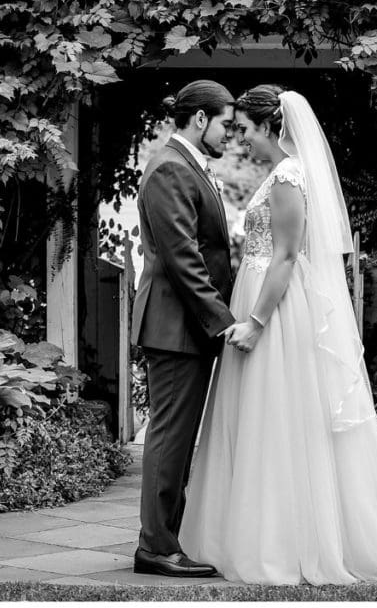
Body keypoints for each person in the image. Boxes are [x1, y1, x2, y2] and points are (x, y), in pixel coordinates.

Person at [178, 85, 377, 584]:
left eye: (248, 131)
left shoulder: (287, 177)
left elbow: (285, 256)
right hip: (262, 302)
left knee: (277, 419)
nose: (244, 141)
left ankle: (285, 541)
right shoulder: (281, 174)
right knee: (264, 420)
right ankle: (253, 532)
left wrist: (255, 323)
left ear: (269, 128)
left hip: (275, 313)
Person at [130, 80, 237, 578]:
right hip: (176, 326)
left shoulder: (186, 164)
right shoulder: (171, 167)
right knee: (170, 437)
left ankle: (166, 538)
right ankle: (155, 547)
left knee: (176, 436)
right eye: (225, 123)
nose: (230, 133)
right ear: (200, 119)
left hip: (184, 326)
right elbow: (182, 258)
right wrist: (223, 321)